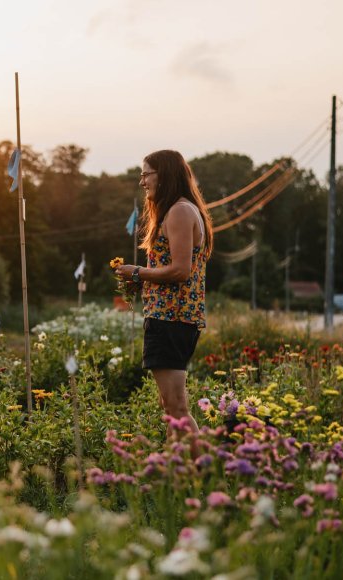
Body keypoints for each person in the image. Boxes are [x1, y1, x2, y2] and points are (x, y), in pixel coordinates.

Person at [115, 150, 213, 434]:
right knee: (169, 407)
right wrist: (143, 280)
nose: (142, 181)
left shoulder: (180, 211)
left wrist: (138, 272)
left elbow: (180, 270)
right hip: (170, 317)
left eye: (147, 174)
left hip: (172, 317)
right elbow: (172, 269)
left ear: (165, 175)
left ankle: (208, 471)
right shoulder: (178, 210)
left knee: (177, 409)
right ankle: (173, 472)